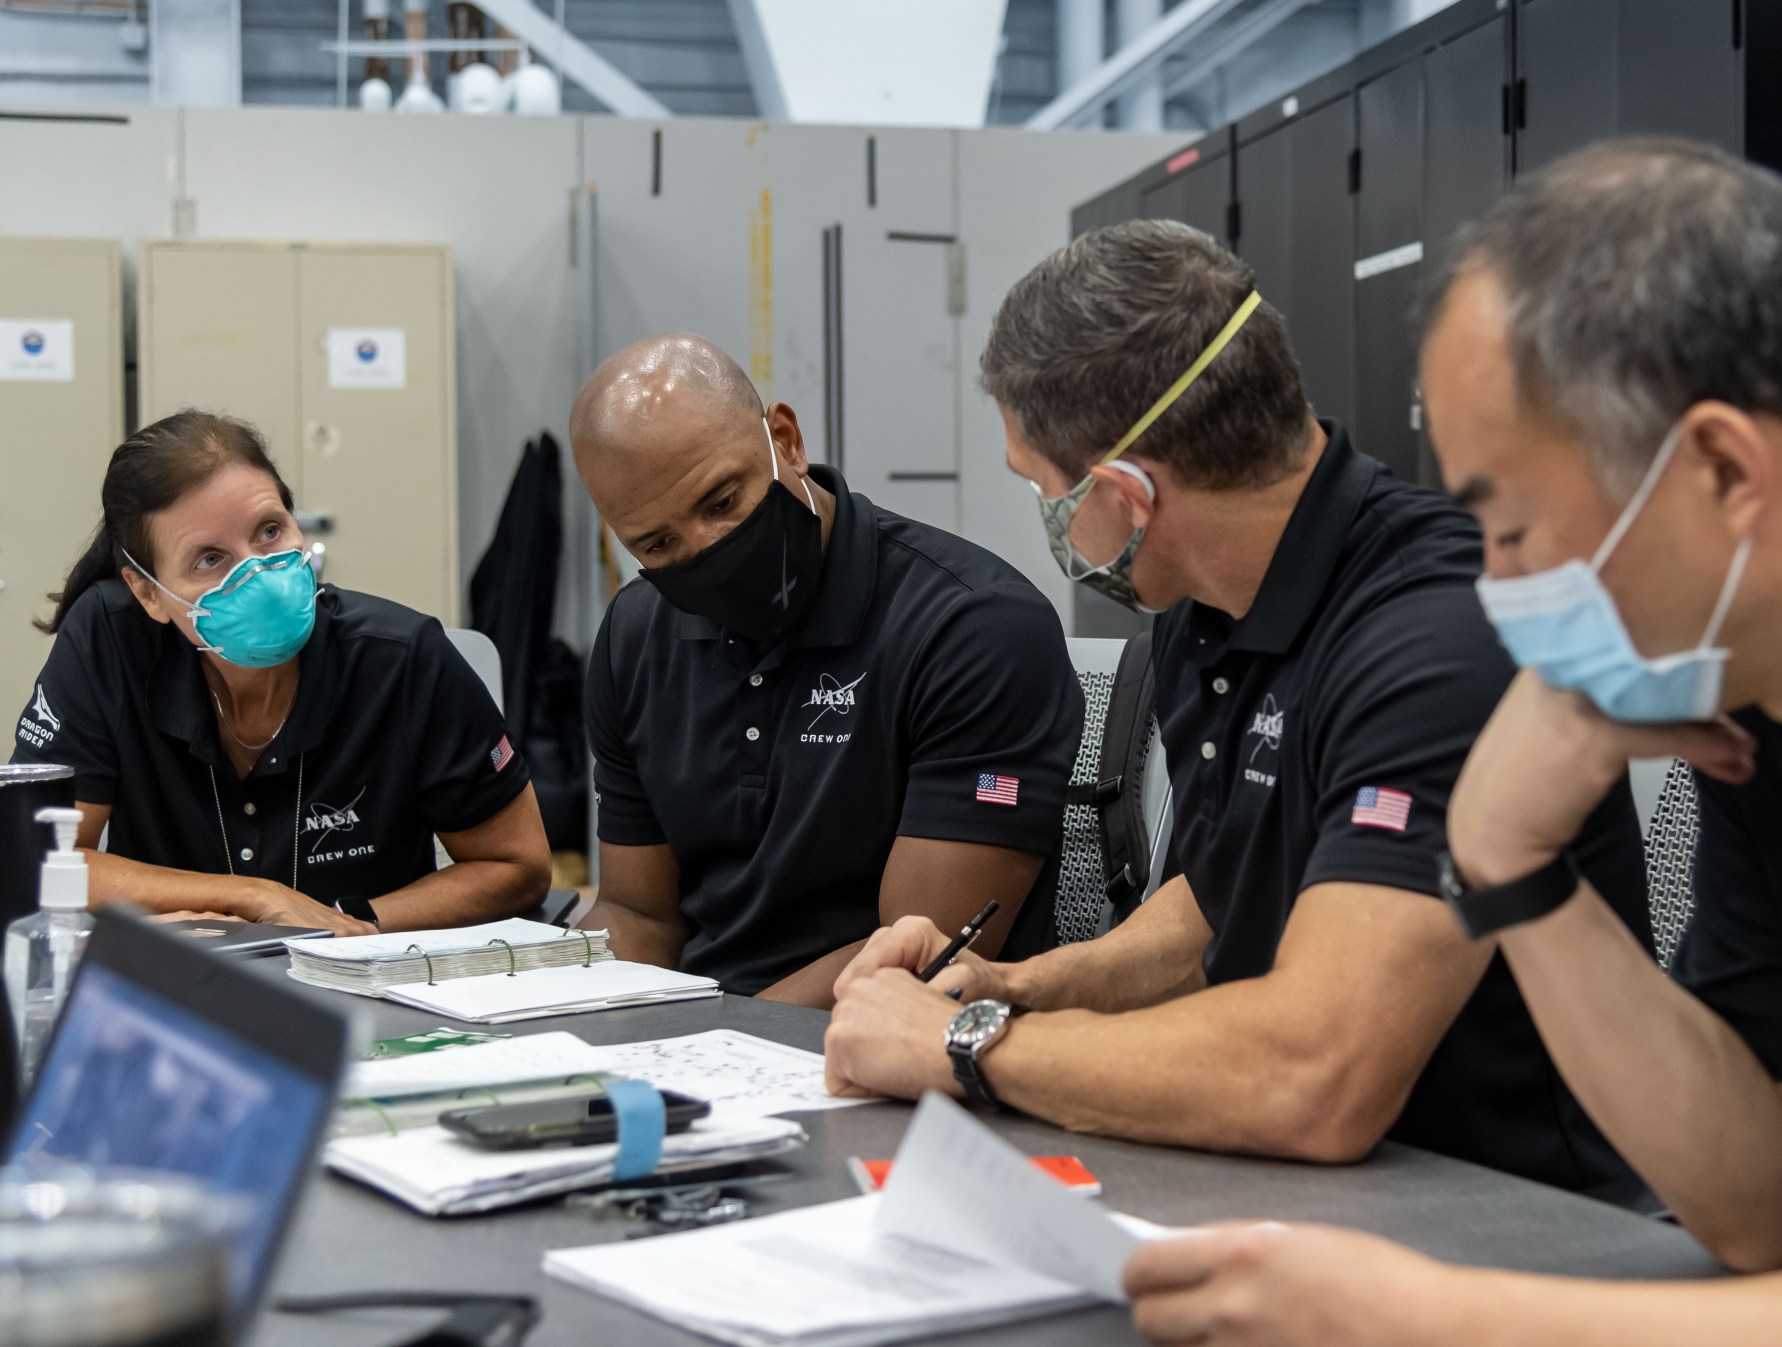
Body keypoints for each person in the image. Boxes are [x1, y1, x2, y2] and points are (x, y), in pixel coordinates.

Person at [1119, 138, 1782, 1347]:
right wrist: (1509, 862)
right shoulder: (1771, 721)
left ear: (1719, 466)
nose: (1492, 583)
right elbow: (1767, 1201)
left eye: (1505, 523)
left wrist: (1448, 1325)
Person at [822, 220, 1652, 1193]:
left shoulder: (1436, 640)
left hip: (1507, 1209)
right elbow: (1214, 910)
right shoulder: (1205, 607)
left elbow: (1317, 1074)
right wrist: (1009, 985)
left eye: (1041, 488)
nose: (1044, 518)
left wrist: (965, 1043)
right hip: (1294, 1181)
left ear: (1126, 496)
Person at [570, 334, 1081, 1007]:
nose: (708, 552)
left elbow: (920, 952)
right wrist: (573, 1016)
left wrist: (720, 1041)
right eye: (658, 543)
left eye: (723, 501)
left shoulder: (974, 628)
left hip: (891, 1054)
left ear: (785, 440)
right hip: (702, 1046)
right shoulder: (637, 636)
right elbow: (640, 915)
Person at [12, 411, 551, 937]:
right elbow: (44, 859)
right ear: (149, 592)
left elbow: (516, 867)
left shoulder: (403, 658)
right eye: (210, 560)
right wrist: (252, 896)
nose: (257, 572)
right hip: (183, 990)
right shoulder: (109, 638)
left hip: (369, 987)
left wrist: (346, 927)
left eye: (269, 531)